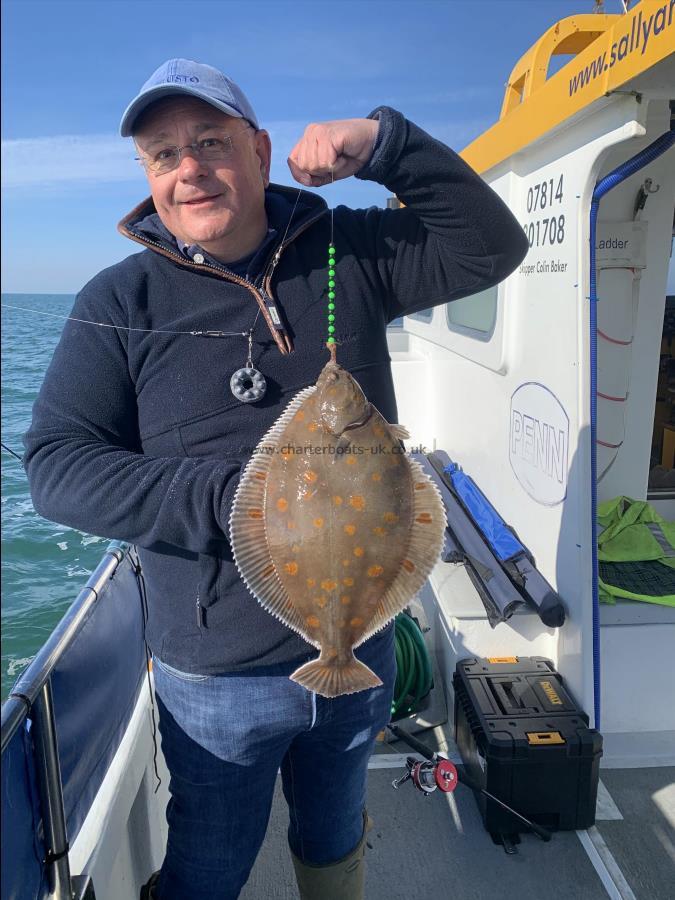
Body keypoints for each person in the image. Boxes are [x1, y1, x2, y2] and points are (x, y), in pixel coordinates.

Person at [23, 59, 529, 900]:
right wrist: (238, 502)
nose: (188, 169)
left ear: (259, 151)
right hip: (216, 678)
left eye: (211, 142)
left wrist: (385, 144)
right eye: (163, 154)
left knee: (334, 832)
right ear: (149, 178)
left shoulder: (350, 255)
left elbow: (490, 246)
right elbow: (57, 468)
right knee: (211, 863)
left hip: (358, 647)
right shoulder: (119, 300)